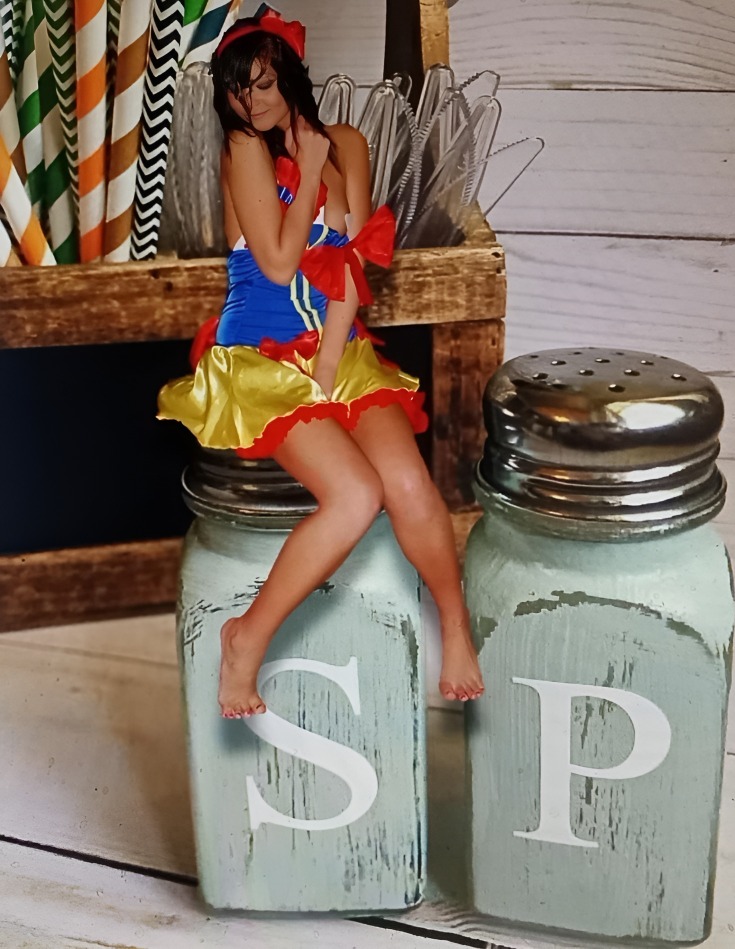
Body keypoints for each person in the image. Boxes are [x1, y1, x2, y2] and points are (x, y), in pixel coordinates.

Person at [158, 6, 484, 718]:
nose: (252, 101)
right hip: (259, 354)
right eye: (238, 89)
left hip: (334, 345)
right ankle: (246, 639)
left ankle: (455, 625)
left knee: (409, 482)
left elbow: (354, 261)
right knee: (355, 495)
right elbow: (278, 264)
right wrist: (306, 174)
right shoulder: (243, 149)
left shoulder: (348, 145)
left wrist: (332, 360)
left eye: (264, 84)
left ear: (291, 78)